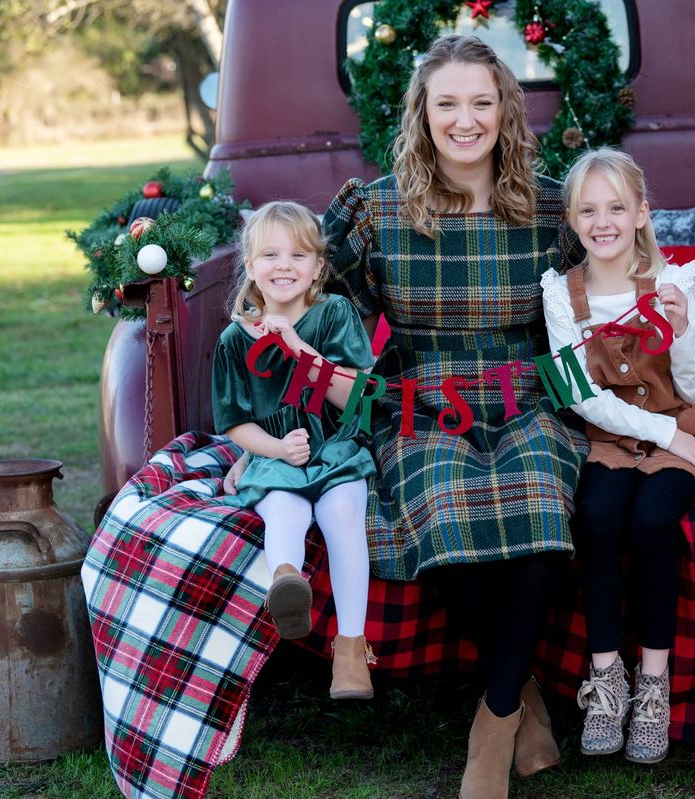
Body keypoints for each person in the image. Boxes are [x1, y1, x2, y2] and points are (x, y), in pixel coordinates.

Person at [320, 35, 584, 799]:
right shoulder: (375, 209)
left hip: (530, 386)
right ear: (421, 112)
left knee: (540, 509)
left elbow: (596, 304)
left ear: (505, 108)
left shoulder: (549, 202)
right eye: (447, 104)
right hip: (420, 395)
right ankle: (523, 697)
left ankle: (492, 725)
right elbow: (309, 287)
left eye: (481, 101)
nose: (465, 120)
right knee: (441, 509)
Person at [540, 148, 695, 764]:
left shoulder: (673, 284)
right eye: (589, 210)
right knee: (595, 519)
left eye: (617, 208)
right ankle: (606, 680)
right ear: (572, 221)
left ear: (642, 214)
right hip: (609, 437)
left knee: (652, 523)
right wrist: (667, 435)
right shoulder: (560, 295)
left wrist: (682, 334)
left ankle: (653, 682)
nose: (603, 222)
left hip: (678, 431)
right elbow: (581, 397)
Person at [211, 200, 379, 700]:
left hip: (336, 447)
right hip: (275, 452)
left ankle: (350, 651)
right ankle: (286, 581)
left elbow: (356, 403)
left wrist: (300, 351)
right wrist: (275, 450)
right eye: (270, 255)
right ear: (251, 266)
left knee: (343, 512)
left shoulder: (333, 315)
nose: (284, 265)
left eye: (298, 255)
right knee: (282, 508)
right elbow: (235, 423)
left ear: (317, 269)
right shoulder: (234, 340)